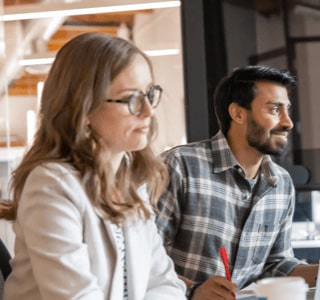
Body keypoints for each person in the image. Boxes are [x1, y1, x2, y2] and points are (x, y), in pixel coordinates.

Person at [0, 32, 186, 300]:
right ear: (83, 107)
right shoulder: (51, 184)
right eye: (132, 99)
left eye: (149, 94)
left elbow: (165, 283)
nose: (148, 111)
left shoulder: (132, 182)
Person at [156, 65, 319, 300]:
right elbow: (142, 260)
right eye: (275, 110)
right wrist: (192, 290)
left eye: (287, 111)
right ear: (238, 114)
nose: (288, 123)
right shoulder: (179, 166)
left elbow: (276, 264)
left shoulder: (281, 183)